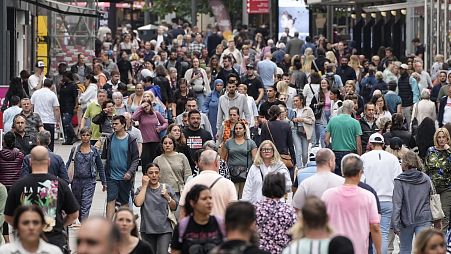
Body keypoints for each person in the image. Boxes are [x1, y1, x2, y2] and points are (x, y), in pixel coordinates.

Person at [5, 146, 80, 249]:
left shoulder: (18, 185)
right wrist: (61, 224)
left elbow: (8, 216)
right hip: (53, 241)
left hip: (26, 243)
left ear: (30, 162)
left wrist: (21, 227)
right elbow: (74, 214)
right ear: (48, 162)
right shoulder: (59, 184)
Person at [321, 153, 381, 254]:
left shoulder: (328, 195)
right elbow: (375, 227)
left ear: (342, 172)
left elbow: (320, 223)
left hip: (333, 248)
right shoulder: (368, 196)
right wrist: (379, 251)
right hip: (359, 249)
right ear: (360, 173)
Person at [361, 132, 402, 253]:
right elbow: (398, 180)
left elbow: (361, 180)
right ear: (383, 144)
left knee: (369, 233)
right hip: (388, 200)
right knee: (383, 233)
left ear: (370, 144)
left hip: (370, 201)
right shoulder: (393, 159)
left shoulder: (363, 158)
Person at [392, 150, 435, 254]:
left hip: (406, 219)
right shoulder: (425, 178)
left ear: (404, 163)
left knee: (405, 249)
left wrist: (395, 223)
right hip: (424, 218)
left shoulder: (399, 180)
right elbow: (433, 197)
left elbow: (397, 203)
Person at [178, 150, 237, 218]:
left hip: (196, 227)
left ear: (200, 163)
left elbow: (183, 211)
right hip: (220, 227)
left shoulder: (191, 183)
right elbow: (233, 213)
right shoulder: (228, 184)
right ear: (216, 163)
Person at [102, 115, 140, 220]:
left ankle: (123, 224)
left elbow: (136, 159)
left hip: (125, 177)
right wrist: (103, 176)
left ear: (123, 124)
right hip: (111, 176)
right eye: (113, 124)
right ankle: (108, 226)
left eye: (116, 124)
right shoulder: (109, 139)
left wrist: (130, 172)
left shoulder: (131, 140)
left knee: (124, 202)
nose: (114, 126)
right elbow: (104, 158)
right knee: (111, 200)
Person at [134, 163, 178, 254]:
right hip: (147, 229)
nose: (154, 175)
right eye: (150, 173)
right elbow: (138, 203)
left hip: (164, 229)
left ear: (159, 174)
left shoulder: (167, 188)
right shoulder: (140, 189)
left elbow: (174, 207)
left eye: (156, 173)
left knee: (162, 252)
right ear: (146, 175)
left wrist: (167, 197)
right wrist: (145, 186)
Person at [66, 127, 106, 223]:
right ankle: (80, 220)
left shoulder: (94, 151)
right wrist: (65, 179)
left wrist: (104, 182)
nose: (85, 137)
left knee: (86, 203)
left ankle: (84, 224)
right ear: (80, 136)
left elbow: (100, 166)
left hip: (89, 181)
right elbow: (68, 164)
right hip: (76, 181)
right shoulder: (75, 149)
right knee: (77, 204)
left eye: (87, 135)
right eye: (83, 135)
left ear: (90, 136)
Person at [171, 184, 225, 254]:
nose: (209, 202)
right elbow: (175, 251)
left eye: (210, 198)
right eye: (204, 199)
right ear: (192, 203)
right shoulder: (182, 227)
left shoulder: (220, 223)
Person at [255, 173, 296, 254]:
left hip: (259, 250)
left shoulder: (255, 208)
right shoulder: (288, 211)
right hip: (282, 251)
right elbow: (294, 233)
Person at [325, 100, 362, 175]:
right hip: (350, 153)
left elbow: (326, 139)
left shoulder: (332, 120)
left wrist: (331, 148)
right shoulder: (355, 123)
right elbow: (358, 144)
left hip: (336, 153)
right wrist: (359, 156)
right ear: (352, 109)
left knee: (338, 177)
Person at [424, 128, 451, 232]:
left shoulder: (449, 151)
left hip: (447, 188)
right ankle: (433, 240)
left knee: (444, 216)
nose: (441, 139)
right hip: (432, 188)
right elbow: (425, 168)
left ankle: (441, 242)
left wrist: (448, 150)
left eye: (444, 137)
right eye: (439, 137)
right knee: (433, 216)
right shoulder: (431, 151)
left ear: (447, 138)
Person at [222, 121, 257, 198]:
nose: (238, 130)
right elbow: (222, 159)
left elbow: (255, 160)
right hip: (232, 173)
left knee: (244, 196)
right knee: (233, 196)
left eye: (240, 128)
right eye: (236, 128)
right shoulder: (228, 142)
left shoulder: (250, 143)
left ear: (244, 130)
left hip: (246, 174)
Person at [132, 99, 168, 172]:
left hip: (156, 141)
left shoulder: (156, 113)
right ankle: (146, 178)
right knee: (145, 162)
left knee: (156, 162)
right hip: (144, 142)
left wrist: (161, 128)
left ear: (151, 105)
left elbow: (165, 123)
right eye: (144, 106)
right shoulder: (140, 115)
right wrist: (140, 107)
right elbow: (134, 117)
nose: (146, 107)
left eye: (147, 105)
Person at [261, 105, 295, 178]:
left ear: (269, 113)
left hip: (269, 156)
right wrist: (293, 159)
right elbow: (290, 145)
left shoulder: (265, 125)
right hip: (283, 157)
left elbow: (262, 143)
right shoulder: (286, 125)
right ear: (280, 114)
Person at [30, 79, 60, 152]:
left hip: (37, 121)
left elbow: (31, 106)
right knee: (49, 141)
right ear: (52, 85)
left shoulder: (35, 93)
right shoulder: (52, 94)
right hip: (49, 121)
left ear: (43, 84)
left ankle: (37, 154)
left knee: (37, 140)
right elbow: (56, 109)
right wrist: (57, 121)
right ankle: (49, 155)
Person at [59, 71, 78, 145]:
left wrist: (76, 106)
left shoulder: (73, 86)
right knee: (64, 124)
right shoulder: (63, 85)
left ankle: (74, 136)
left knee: (67, 122)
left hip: (69, 106)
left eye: (65, 77)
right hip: (63, 106)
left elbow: (76, 97)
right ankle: (69, 139)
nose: (63, 78)